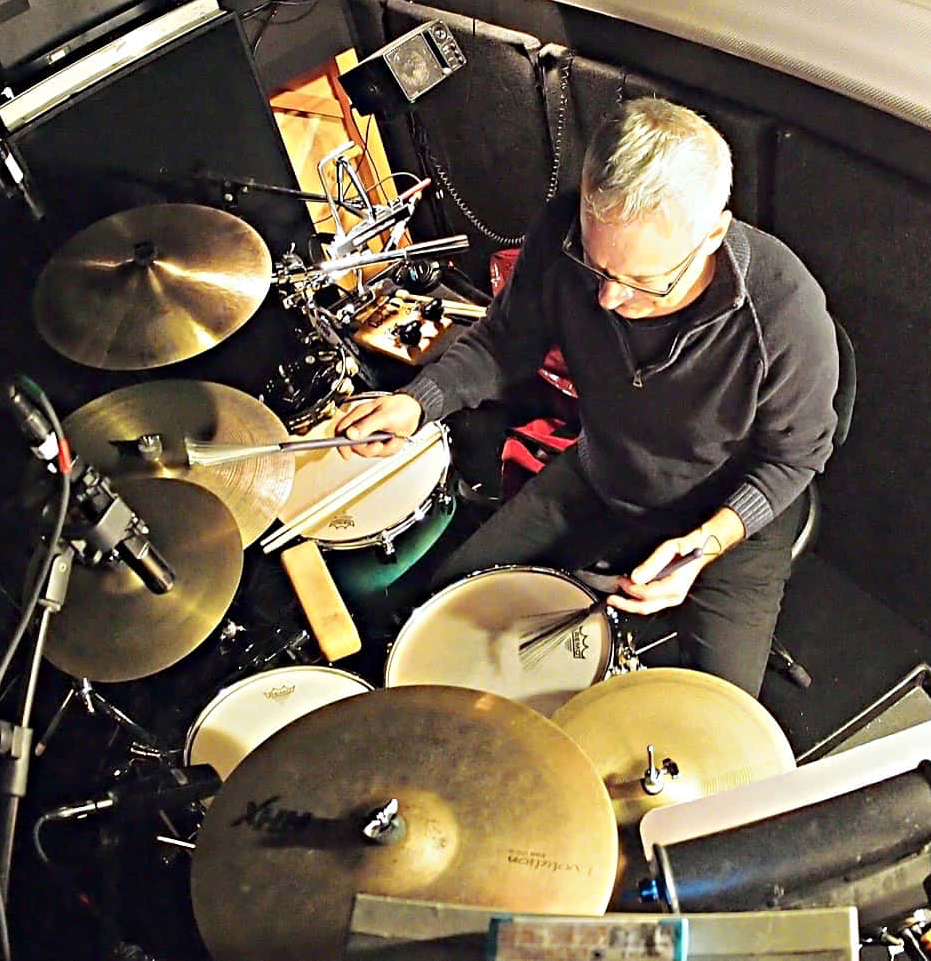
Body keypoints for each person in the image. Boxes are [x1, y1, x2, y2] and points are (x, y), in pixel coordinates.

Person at [334, 98, 840, 694]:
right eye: (598, 268)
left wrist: (707, 544)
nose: (608, 300)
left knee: (717, 720)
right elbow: (505, 341)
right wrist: (419, 401)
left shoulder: (784, 310)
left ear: (714, 235)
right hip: (603, 475)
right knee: (437, 621)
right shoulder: (562, 233)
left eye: (645, 282)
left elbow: (795, 458)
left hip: (726, 519)